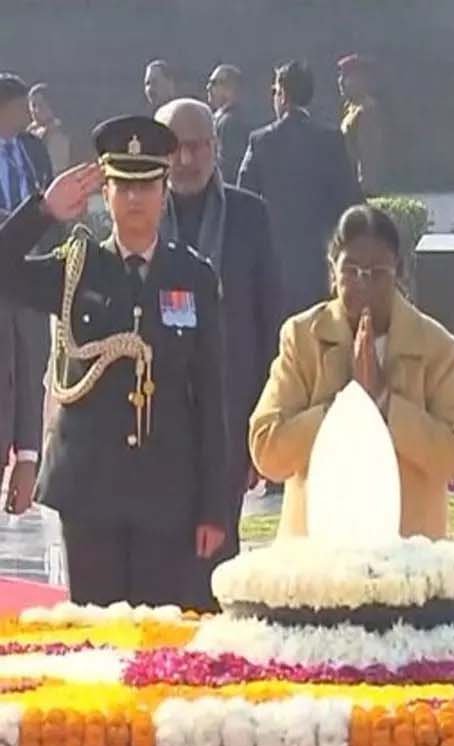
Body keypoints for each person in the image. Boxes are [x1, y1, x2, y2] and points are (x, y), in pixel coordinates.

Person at [0, 116, 228, 609]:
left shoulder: (193, 275)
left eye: (146, 185)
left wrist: (214, 506)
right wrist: (42, 211)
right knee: (96, 637)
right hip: (90, 491)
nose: (134, 198)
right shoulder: (78, 267)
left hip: (166, 490)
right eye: (123, 186)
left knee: (159, 635)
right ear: (105, 194)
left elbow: (211, 396)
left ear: (164, 193)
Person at [249, 204, 454, 539]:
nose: (363, 283)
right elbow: (266, 449)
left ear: (399, 274)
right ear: (332, 272)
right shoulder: (302, 338)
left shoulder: (439, 349)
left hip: (409, 553)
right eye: (351, 270)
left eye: (377, 272)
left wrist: (383, 401)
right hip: (318, 555)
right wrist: (343, 405)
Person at [156, 98, 283, 599]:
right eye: (175, 149)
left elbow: (268, 321)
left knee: (217, 551)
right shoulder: (140, 214)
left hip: (229, 413)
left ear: (216, 148)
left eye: (198, 146)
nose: (187, 160)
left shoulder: (249, 216)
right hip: (155, 415)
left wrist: (262, 426)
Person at [238, 60, 364, 319]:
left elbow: (244, 198)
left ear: (283, 95)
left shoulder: (261, 141)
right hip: (320, 262)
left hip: (272, 263)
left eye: (275, 91)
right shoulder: (331, 140)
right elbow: (351, 201)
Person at [0, 74, 54, 519]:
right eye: (18, 107)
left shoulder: (32, 149)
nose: (25, 115)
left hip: (30, 272)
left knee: (32, 363)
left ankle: (28, 452)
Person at [337, 54, 387, 195]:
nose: (340, 82)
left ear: (360, 79)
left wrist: (364, 191)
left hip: (360, 190)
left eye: (346, 77)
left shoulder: (367, 111)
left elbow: (368, 156)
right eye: (340, 76)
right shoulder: (349, 109)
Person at [207, 65, 251, 180]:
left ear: (230, 88)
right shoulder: (218, 118)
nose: (208, 87)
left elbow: (229, 166)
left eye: (214, 83)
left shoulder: (232, 122)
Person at [26, 84, 69, 175]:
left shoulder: (59, 134)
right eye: (33, 106)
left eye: (41, 105)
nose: (36, 110)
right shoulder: (28, 132)